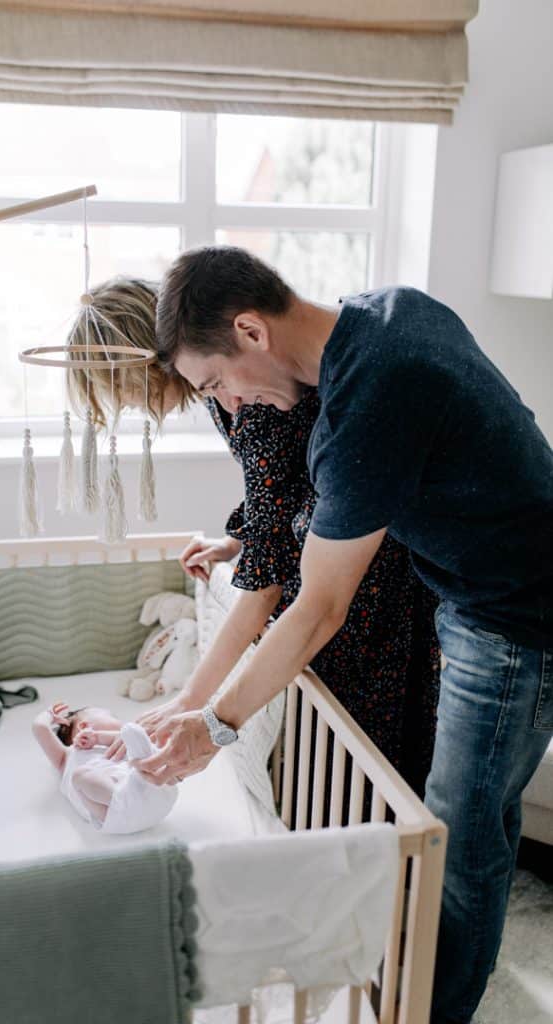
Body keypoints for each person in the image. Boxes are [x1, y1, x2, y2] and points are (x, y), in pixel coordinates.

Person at [146, 246, 553, 1024]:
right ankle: (454, 976)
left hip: (510, 619)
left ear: (249, 331)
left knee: (453, 839)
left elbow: (316, 608)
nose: (230, 407)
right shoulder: (389, 311)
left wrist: (213, 726)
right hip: (486, 592)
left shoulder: (367, 404)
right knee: (486, 818)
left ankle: (428, 1011)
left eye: (214, 383)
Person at [66, 278, 439, 796]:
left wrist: (192, 701)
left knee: (364, 752)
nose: (130, 406)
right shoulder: (222, 391)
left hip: (360, 568)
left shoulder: (247, 399)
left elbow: (268, 582)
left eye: (124, 391)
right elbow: (285, 490)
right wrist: (238, 542)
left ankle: (383, 856)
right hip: (335, 539)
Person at [32, 701, 177, 833]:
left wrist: (100, 737)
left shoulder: (121, 742)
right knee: (80, 775)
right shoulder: (66, 757)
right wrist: (48, 715)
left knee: (134, 738)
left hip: (150, 791)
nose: (118, 720)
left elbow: (125, 736)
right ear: (84, 725)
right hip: (113, 812)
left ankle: (155, 772)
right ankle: (120, 795)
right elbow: (40, 728)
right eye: (111, 716)